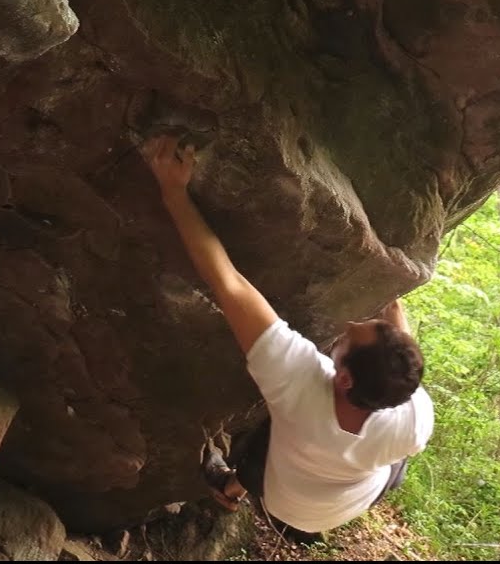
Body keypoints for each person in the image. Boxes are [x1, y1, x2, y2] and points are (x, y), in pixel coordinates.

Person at [142, 134, 434, 538]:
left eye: (348, 339)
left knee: (268, 432)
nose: (347, 326)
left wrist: (173, 192)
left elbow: (229, 284)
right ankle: (242, 490)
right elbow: (404, 367)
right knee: (393, 461)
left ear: (344, 378)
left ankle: (231, 485)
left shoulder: (298, 382)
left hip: (281, 499)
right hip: (345, 504)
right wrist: (394, 313)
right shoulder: (413, 421)